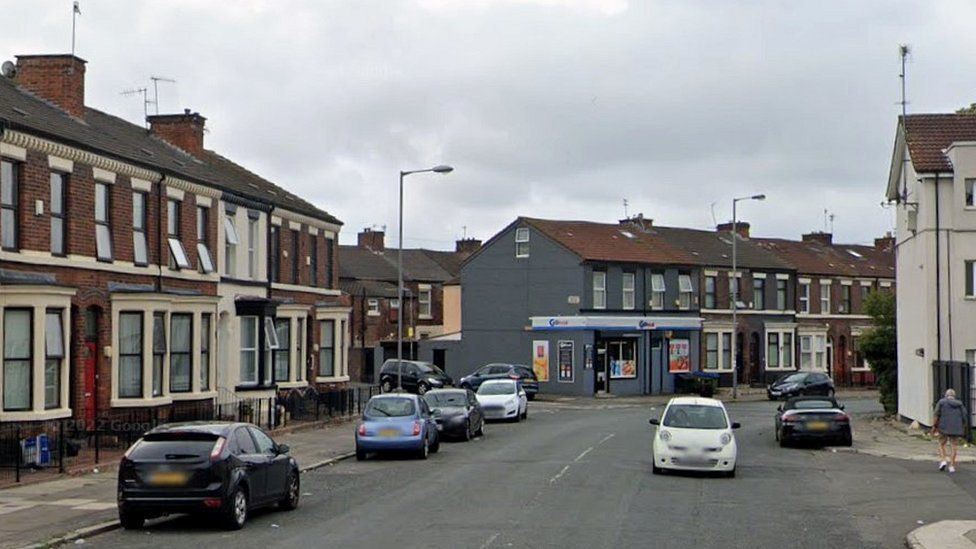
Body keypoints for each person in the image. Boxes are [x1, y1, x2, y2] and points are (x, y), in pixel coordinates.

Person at [932, 389, 968, 473]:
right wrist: (963, 425)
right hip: (956, 428)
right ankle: (951, 466)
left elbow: (936, 414)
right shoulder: (959, 404)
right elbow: (964, 415)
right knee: (954, 446)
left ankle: (943, 460)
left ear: (946, 395)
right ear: (954, 396)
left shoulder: (941, 402)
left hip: (943, 427)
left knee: (941, 444)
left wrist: (934, 426)